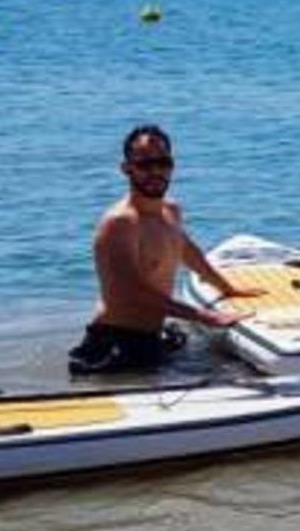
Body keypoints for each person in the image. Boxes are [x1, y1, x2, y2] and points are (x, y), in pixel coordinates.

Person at [70, 124, 260, 375]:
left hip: (152, 336)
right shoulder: (119, 223)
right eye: (144, 165)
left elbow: (185, 250)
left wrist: (226, 288)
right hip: (116, 344)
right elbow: (131, 293)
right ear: (126, 169)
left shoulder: (171, 210)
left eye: (162, 162)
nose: (155, 171)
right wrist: (206, 317)